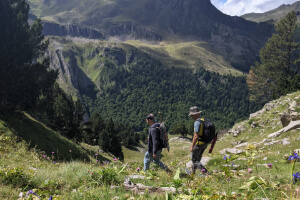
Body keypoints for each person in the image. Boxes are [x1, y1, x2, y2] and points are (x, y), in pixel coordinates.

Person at [188, 106, 208, 174]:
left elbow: (196, 136)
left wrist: (192, 146)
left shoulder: (197, 122)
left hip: (198, 144)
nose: (191, 117)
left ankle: (206, 173)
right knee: (197, 159)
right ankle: (192, 172)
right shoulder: (203, 120)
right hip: (204, 143)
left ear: (196, 114)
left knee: (194, 161)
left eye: (192, 115)